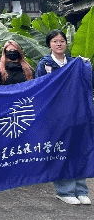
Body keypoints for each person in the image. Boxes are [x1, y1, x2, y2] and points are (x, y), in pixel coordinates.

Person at [35, 30, 91, 206]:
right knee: (61, 152)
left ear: (66, 43)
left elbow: (86, 84)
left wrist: (86, 66)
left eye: (62, 41)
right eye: (54, 41)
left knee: (78, 151)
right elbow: (40, 89)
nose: (59, 44)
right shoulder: (45, 64)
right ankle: (65, 190)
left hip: (76, 114)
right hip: (56, 116)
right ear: (49, 44)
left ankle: (81, 190)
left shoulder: (75, 62)